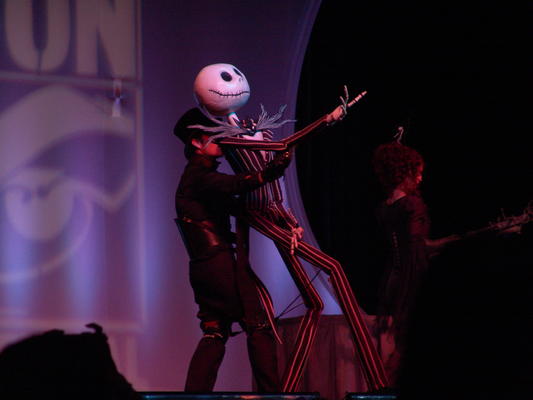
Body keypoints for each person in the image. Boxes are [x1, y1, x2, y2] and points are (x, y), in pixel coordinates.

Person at [174, 107, 292, 393]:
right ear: (196, 142)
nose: (222, 141)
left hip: (206, 267)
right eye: (215, 137)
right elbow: (234, 185)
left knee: (215, 332)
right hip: (219, 266)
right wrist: (268, 173)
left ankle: (194, 397)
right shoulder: (198, 175)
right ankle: (272, 395)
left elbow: (236, 202)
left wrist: (286, 221)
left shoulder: (198, 177)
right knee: (258, 325)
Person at [371, 139, 458, 387]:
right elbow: (417, 247)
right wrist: (454, 242)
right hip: (412, 279)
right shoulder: (412, 204)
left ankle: (386, 384)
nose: (420, 179)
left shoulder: (384, 207)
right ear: (404, 173)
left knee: (398, 341)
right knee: (410, 341)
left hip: (391, 279)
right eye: (417, 173)